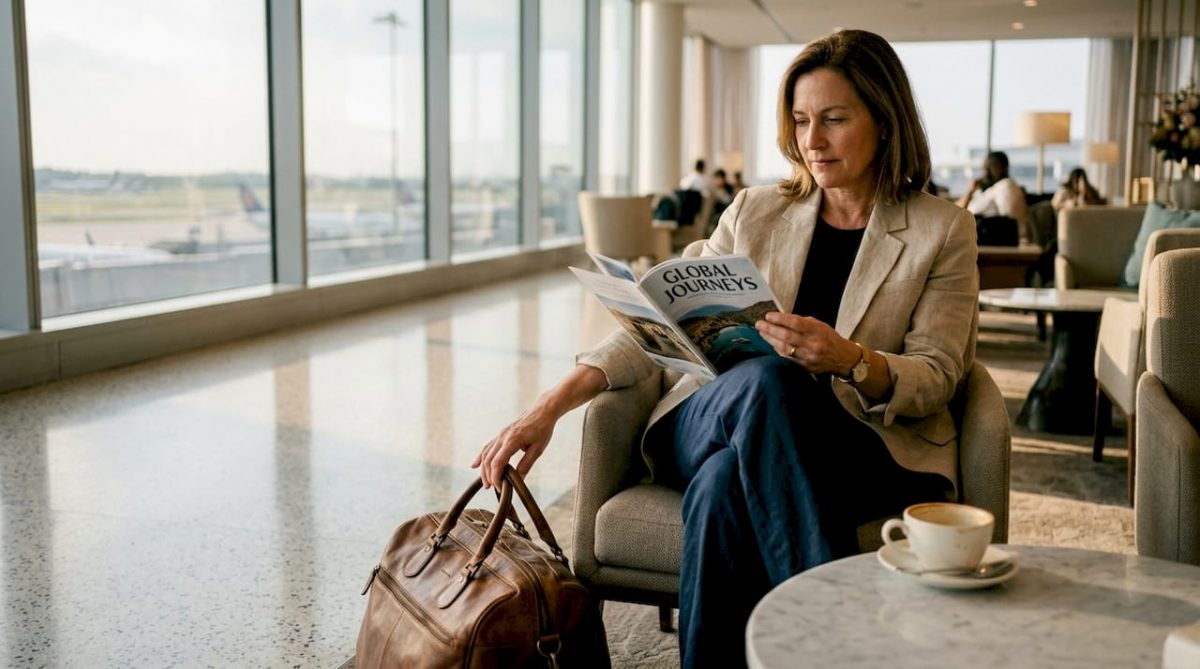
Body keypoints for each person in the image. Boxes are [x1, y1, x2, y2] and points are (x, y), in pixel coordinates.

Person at [474, 29, 978, 669]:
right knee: (770, 382)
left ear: (884, 120)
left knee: (719, 488)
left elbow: (938, 374)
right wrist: (548, 407)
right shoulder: (754, 211)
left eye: (834, 119)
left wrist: (850, 359)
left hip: (857, 442)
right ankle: (832, 643)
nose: (812, 141)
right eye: (800, 121)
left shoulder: (942, 230)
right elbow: (657, 326)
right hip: (715, 415)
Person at [956, 151, 1029, 238]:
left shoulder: (1006, 185)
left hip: (989, 237)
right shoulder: (983, 190)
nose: (987, 170)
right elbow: (955, 210)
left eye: (992, 165)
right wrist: (970, 191)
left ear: (1003, 168)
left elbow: (1012, 222)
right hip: (969, 231)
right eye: (985, 166)